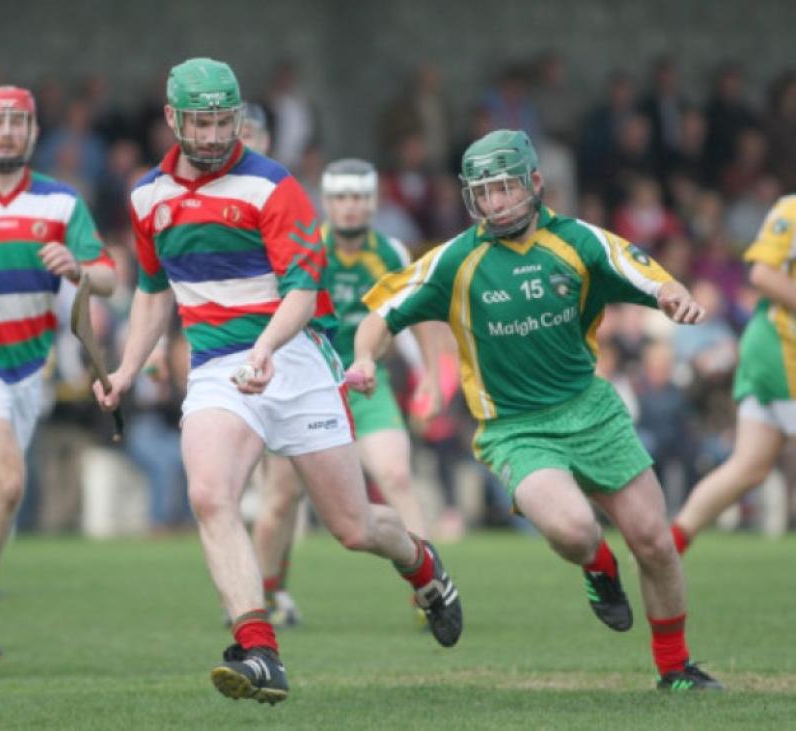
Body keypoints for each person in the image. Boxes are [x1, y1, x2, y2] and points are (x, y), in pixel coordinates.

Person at [93, 58, 462, 706]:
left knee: (352, 527)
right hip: (216, 368)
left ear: (238, 118)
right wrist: (126, 367)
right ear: (172, 119)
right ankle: (259, 649)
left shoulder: (273, 186)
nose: (211, 135)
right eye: (199, 122)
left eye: (223, 121)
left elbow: (300, 290)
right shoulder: (147, 196)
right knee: (211, 493)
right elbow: (154, 291)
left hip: (294, 359)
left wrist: (265, 348)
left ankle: (425, 568)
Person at [349, 129, 723, 691]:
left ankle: (675, 670)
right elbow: (382, 314)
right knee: (573, 532)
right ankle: (599, 566)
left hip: (591, 409)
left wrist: (674, 296)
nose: (495, 202)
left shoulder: (578, 242)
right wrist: (362, 358)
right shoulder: (457, 260)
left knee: (655, 540)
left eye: (505, 188)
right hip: (515, 428)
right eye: (484, 191)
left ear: (535, 184)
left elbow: (644, 271)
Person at [252, 158, 441, 627]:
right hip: (306, 388)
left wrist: (432, 380)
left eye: (359, 197)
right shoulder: (304, 246)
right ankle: (264, 596)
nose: (351, 207)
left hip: (366, 385)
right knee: (280, 498)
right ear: (327, 202)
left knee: (396, 476)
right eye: (341, 197)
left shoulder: (392, 252)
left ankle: (429, 590)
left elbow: (414, 319)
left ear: (373, 202)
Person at [0, 86, 116, 660]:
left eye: (18, 121)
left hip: (28, 371)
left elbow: (111, 277)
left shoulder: (62, 204)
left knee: (4, 503)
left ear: (35, 133)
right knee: (10, 484)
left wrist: (78, 267)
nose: (7, 130)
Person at [671, 194, 796, 552]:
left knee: (749, 468)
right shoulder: (791, 210)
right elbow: (762, 272)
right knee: (748, 467)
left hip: (775, 354)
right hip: (781, 352)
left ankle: (668, 543)